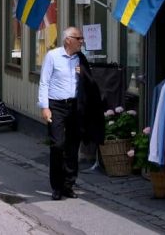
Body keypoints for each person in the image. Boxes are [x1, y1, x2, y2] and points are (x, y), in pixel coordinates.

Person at [38, 26, 103, 201]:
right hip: (56, 105)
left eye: (82, 39)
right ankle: (56, 186)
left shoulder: (81, 58)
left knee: (73, 146)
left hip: (75, 106)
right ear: (68, 40)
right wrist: (45, 106)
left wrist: (83, 75)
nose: (82, 41)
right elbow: (44, 82)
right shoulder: (53, 56)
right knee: (58, 145)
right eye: (79, 38)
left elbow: (90, 82)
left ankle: (68, 185)